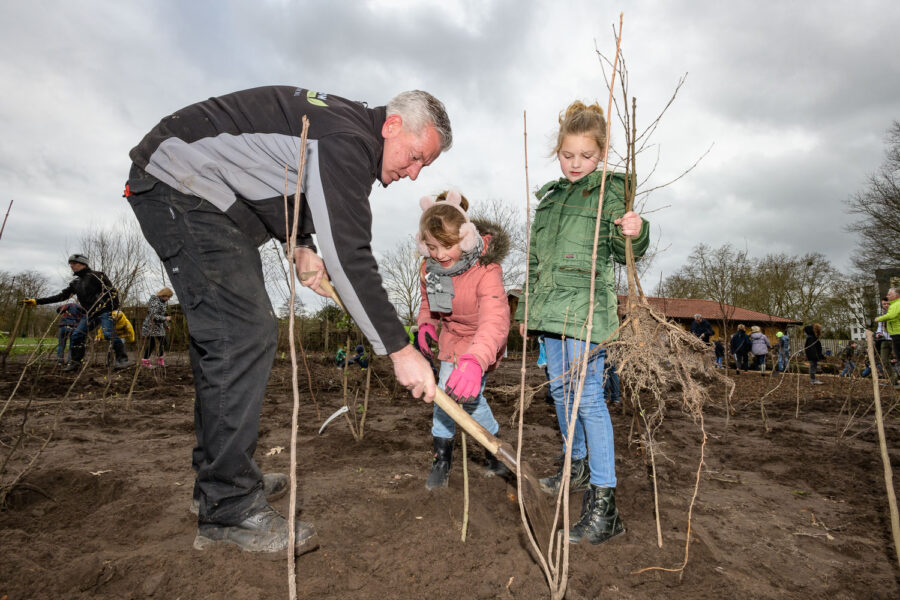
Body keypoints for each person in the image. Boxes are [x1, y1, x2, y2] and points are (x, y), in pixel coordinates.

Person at [124, 86, 451, 557]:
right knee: (242, 332)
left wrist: (302, 244)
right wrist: (401, 350)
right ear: (393, 125)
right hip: (182, 183)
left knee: (234, 333)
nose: (414, 172)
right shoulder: (347, 142)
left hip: (205, 192)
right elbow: (352, 259)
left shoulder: (339, 131)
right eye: (417, 156)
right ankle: (228, 505)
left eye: (426, 166)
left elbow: (281, 174)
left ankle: (218, 480)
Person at [515, 100, 650, 546]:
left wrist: (635, 228)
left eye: (586, 156)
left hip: (586, 307)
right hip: (550, 310)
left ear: (602, 154)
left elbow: (620, 246)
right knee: (558, 390)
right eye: (568, 155)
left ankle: (605, 503)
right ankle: (575, 466)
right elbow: (536, 262)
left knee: (587, 397)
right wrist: (527, 312)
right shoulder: (550, 199)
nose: (576, 164)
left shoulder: (609, 190)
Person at [415, 190, 511, 489]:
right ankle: (443, 460)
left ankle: (495, 448)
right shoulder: (428, 269)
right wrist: (425, 324)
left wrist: (475, 361)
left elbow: (495, 321)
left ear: (466, 238)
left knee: (464, 399)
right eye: (431, 247)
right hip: (452, 339)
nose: (440, 255)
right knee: (445, 399)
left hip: (482, 342)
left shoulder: (487, 270)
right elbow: (427, 303)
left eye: (447, 246)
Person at [24, 254, 128, 371]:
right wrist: (37, 302)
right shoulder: (76, 283)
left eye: (74, 263)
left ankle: (122, 360)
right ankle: (75, 363)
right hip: (90, 314)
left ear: (83, 264)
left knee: (108, 333)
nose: (71, 266)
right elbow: (61, 296)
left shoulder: (97, 276)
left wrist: (113, 308)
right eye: (70, 264)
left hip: (104, 310)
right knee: (77, 335)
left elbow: (112, 292)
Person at [141, 287, 173, 368]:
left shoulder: (163, 302)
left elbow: (161, 315)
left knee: (163, 343)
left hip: (159, 326)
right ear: (163, 295)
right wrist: (165, 318)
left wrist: (166, 325)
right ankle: (145, 361)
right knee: (152, 344)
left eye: (169, 297)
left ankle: (160, 360)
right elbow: (153, 316)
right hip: (152, 326)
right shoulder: (155, 301)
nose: (168, 299)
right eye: (168, 297)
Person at [875, 288, 900, 387]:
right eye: (883, 304)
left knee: (897, 359)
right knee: (884, 360)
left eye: (886, 304)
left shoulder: (894, 307)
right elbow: (880, 327)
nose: (885, 306)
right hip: (886, 339)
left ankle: (896, 378)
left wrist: (878, 319)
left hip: (895, 337)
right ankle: (893, 380)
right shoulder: (884, 314)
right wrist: (878, 333)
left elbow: (892, 316)